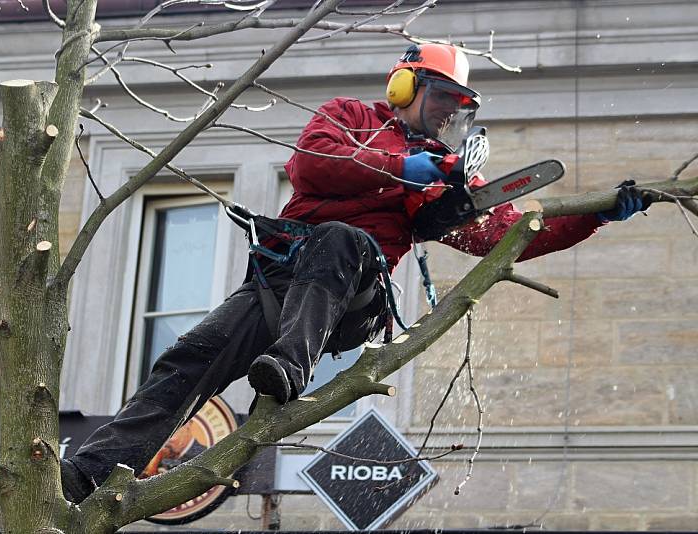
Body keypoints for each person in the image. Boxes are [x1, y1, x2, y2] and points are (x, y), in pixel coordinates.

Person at [60, 43, 649, 503]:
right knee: (188, 359)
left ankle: (289, 367)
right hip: (280, 281)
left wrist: (595, 215)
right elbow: (313, 164)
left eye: (456, 105)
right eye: (440, 97)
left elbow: (498, 235)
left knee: (345, 241)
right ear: (406, 84)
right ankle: (86, 474)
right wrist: (399, 166)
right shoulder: (348, 118)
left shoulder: (443, 174)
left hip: (352, 298)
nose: (447, 112)